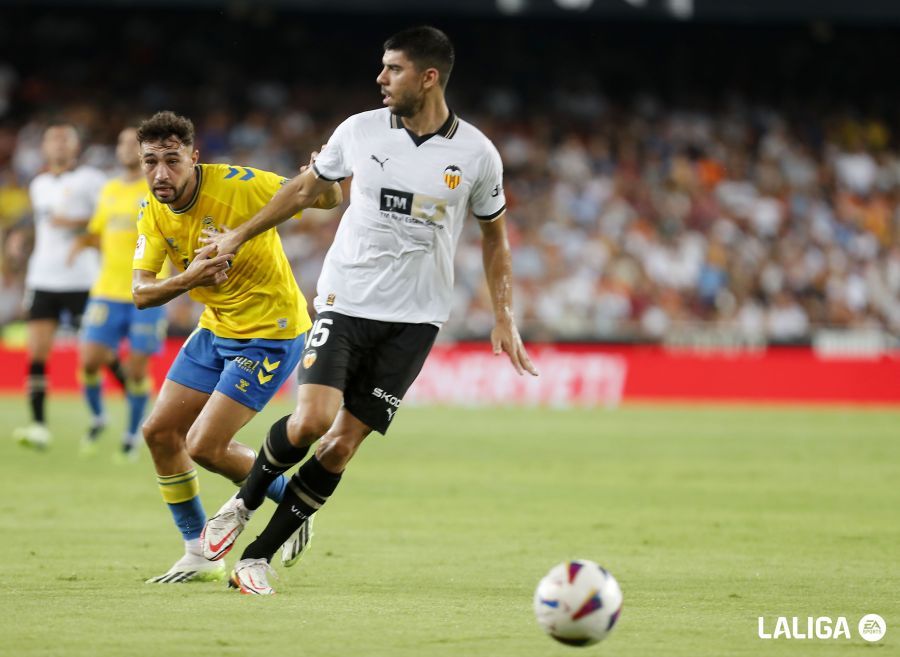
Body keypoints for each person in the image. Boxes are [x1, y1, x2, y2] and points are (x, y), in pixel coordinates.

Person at [199, 26, 537, 595]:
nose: (380, 79)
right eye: (382, 68)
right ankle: (242, 501)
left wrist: (504, 314)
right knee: (310, 421)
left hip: (417, 318)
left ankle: (256, 558)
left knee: (341, 445)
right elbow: (306, 189)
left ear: (428, 77)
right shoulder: (358, 131)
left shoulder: (478, 155)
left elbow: (495, 238)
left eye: (394, 69)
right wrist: (236, 236)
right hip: (347, 298)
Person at [130, 111, 341, 583]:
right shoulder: (151, 210)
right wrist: (191, 278)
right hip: (215, 329)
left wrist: (324, 178)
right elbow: (142, 293)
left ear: (193, 157)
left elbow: (324, 197)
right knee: (160, 433)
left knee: (204, 445)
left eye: (172, 160)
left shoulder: (238, 184)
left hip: (271, 330)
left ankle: (294, 504)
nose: (161, 174)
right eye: (150, 162)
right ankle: (199, 553)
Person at [69, 127, 166, 461]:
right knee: (89, 360)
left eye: (132, 144)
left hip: (147, 290)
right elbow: (98, 231)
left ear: (143, 153)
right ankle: (99, 418)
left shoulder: (157, 188)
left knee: (137, 370)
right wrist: (78, 244)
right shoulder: (109, 190)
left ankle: (130, 436)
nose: (125, 149)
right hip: (106, 290)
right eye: (122, 142)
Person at [13, 124, 106, 450]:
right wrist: (21, 239)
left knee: (99, 353)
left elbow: (107, 218)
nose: (58, 144)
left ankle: (126, 418)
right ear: (44, 147)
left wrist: (76, 224)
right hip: (43, 278)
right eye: (52, 139)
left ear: (76, 146)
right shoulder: (38, 184)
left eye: (65, 139)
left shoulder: (91, 180)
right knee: (37, 352)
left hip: (82, 279)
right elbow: (43, 226)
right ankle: (39, 426)